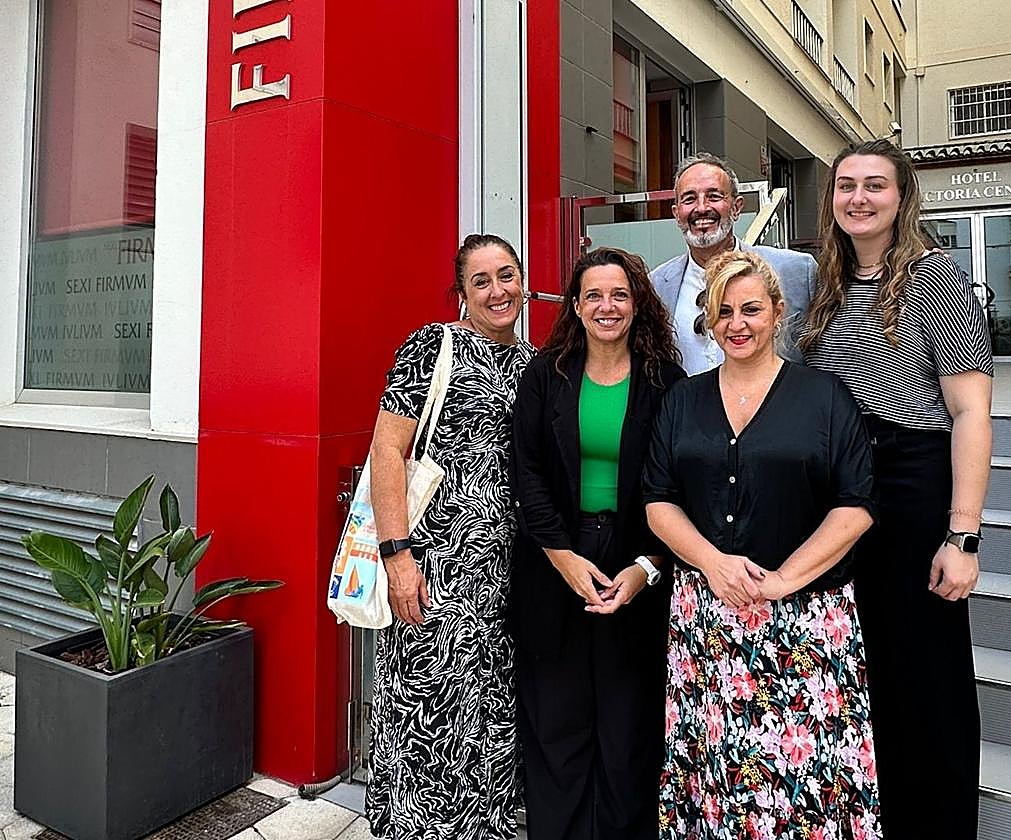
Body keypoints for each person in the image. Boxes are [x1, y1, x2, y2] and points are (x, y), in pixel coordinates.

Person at [643, 249, 882, 840]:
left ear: (778, 312)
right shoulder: (683, 399)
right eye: (723, 311)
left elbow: (856, 506)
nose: (737, 323)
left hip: (808, 623)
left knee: (807, 786)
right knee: (716, 777)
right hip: (708, 619)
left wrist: (782, 580)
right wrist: (712, 563)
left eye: (751, 308)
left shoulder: (824, 397)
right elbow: (657, 499)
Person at [801, 138, 994, 840]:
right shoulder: (825, 281)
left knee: (928, 672)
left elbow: (970, 410)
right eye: (845, 184)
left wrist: (961, 534)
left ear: (901, 196)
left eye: (874, 185)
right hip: (839, 488)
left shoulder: (934, 278)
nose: (857, 197)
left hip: (912, 482)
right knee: (865, 664)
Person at [364, 234, 536, 840]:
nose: (498, 291)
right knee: (426, 716)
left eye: (507, 275)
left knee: (492, 718)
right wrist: (396, 554)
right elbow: (387, 450)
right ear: (461, 292)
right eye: (482, 280)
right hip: (435, 573)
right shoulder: (432, 348)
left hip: (509, 579)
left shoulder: (536, 364)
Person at [510, 247, 685, 840]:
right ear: (576, 306)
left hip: (638, 559)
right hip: (553, 557)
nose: (607, 307)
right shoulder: (546, 371)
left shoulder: (666, 381)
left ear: (637, 304)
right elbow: (526, 471)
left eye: (619, 295)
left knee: (627, 725)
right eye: (594, 296)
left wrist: (645, 568)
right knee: (556, 722)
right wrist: (560, 554)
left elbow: (676, 484)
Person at [649, 152, 817, 373]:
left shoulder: (796, 272)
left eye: (714, 196)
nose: (701, 208)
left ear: (737, 207)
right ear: (677, 214)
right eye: (689, 199)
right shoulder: (657, 286)